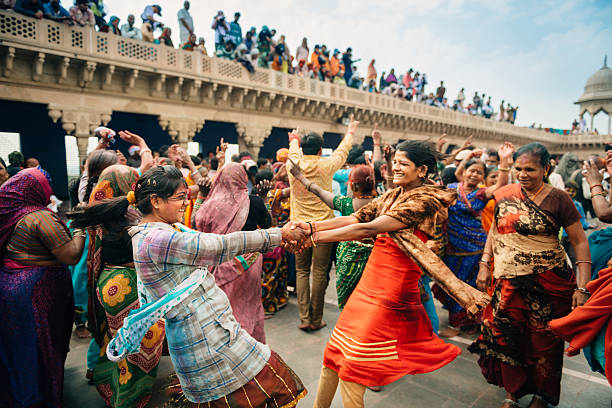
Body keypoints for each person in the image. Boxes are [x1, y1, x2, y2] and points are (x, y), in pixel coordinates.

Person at [290, 140, 491, 407]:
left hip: (391, 289)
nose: (395, 167)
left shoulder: (425, 199)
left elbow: (367, 229)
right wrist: (311, 226)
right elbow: (355, 218)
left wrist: (314, 238)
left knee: (353, 370)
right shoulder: (393, 195)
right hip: (369, 283)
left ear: (421, 170)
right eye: (395, 161)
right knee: (333, 356)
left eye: (403, 164)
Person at [96, 165, 307, 407]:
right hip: (205, 339)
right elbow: (219, 245)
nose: (185, 203)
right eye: (179, 198)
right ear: (155, 201)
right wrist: (278, 234)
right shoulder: (157, 238)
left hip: (209, 330)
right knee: (249, 387)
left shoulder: (158, 229)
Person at [470, 142, 591, 408]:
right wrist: (484, 262)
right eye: (519, 168)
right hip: (508, 282)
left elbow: (580, 242)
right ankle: (512, 394)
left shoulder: (559, 198)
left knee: (544, 343)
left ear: (546, 168)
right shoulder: (504, 194)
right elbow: (495, 230)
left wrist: (582, 288)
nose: (523, 174)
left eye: (530, 169)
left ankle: (541, 395)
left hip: (549, 284)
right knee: (508, 337)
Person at [69, 165, 165, 408]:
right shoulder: (138, 217)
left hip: (109, 283)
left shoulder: (102, 212)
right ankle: (129, 398)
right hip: (132, 287)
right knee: (137, 348)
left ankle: (113, 388)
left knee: (117, 342)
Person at [0, 168, 86, 407]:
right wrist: (80, 227)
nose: (49, 193)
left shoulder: (11, 213)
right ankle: (39, 397)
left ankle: (18, 392)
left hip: (11, 286)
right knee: (40, 345)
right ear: (35, 190)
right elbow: (70, 255)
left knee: (20, 347)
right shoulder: (39, 217)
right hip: (35, 292)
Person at [434, 143, 514, 337]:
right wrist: (469, 153)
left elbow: (501, 185)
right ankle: (469, 320)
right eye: (471, 170)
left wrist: (504, 162)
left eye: (479, 172)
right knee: (448, 284)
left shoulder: (481, 193)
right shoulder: (453, 187)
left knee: (462, 285)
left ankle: (458, 324)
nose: (474, 175)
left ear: (482, 178)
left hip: (473, 247)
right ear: (464, 171)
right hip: (451, 246)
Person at [287, 119, 357, 332]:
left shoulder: (293, 164)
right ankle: (316, 320)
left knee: (301, 271)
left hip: (297, 226)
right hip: (322, 228)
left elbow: (292, 150)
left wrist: (294, 139)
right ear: (319, 150)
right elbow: (342, 152)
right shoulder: (326, 165)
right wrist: (350, 131)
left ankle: (304, 317)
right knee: (319, 272)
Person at [195, 162, 271, 343]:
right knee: (248, 302)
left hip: (217, 262)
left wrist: (201, 195)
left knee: (221, 305)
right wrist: (264, 199)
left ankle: (221, 343)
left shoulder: (210, 203)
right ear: (243, 178)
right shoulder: (255, 201)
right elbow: (267, 224)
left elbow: (195, 225)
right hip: (248, 262)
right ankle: (249, 343)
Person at [290, 163, 376, 309]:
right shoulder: (384, 203)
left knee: (348, 305)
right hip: (376, 259)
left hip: (349, 261)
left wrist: (299, 176)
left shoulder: (346, 204)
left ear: (353, 186)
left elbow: (318, 191)